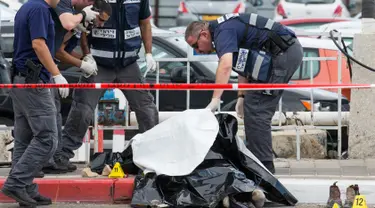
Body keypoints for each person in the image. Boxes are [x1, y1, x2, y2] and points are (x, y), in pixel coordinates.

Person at [184, 13, 303, 174]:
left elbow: (225, 66)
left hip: (283, 52)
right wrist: (241, 96)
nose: (198, 51)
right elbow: (243, 65)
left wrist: (215, 99)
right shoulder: (224, 29)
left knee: (257, 108)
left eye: (196, 46)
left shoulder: (222, 32)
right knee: (252, 103)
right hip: (282, 52)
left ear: (204, 34)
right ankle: (259, 161)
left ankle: (263, 167)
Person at [51, 0, 159, 173]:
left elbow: (145, 23)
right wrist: (87, 56)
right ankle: (61, 155)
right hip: (98, 64)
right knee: (82, 109)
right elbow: (85, 27)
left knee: (146, 108)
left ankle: (155, 155)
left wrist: (148, 53)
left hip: (128, 64)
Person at [1, 0, 70, 206]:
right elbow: (38, 44)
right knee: (48, 139)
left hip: (22, 81)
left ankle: (25, 188)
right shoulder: (39, 9)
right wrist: (57, 74)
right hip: (34, 83)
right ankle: (16, 183)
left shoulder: (29, 7)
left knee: (25, 139)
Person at [42, 0, 104, 174]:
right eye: (93, 22)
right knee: (48, 117)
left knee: (54, 116)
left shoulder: (79, 25)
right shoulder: (68, 14)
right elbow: (58, 51)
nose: (94, 26)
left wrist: (86, 58)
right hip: (45, 72)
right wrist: (81, 64)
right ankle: (45, 160)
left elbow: (69, 48)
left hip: (49, 72)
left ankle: (52, 159)